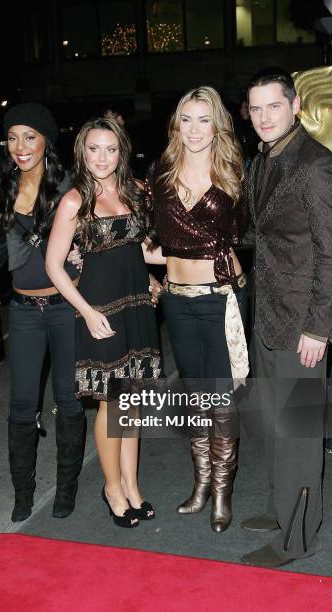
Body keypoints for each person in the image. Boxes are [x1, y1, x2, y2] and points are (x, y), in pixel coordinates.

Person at [240, 67, 332, 567]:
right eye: (256, 108)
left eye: (273, 106)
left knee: (300, 433)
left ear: (295, 106)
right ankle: (280, 507)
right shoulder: (265, 159)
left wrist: (318, 327)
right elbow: (264, 235)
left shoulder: (315, 165)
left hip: (302, 325)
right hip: (269, 316)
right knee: (276, 424)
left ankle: (299, 538)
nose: (263, 117)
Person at [46, 115, 165, 527]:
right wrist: (86, 311)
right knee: (112, 405)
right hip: (101, 312)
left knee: (132, 404)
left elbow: (142, 250)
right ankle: (112, 488)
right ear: (82, 151)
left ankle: (132, 485)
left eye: (110, 149)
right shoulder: (74, 200)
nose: (102, 157)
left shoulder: (135, 192)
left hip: (137, 309)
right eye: (94, 148)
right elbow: (54, 265)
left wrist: (172, 269)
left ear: (122, 152)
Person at [146, 86, 248, 533]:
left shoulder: (234, 175)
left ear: (217, 124)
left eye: (203, 119)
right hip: (177, 301)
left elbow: (255, 236)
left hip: (222, 298)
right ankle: (201, 483)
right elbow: (148, 240)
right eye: (186, 119)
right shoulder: (161, 176)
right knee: (194, 394)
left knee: (221, 397)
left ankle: (223, 490)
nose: (194, 129)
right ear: (176, 125)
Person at [0, 103, 86, 522]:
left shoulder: (69, 186)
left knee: (69, 400)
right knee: (21, 406)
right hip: (24, 311)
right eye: (12, 137)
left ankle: (66, 490)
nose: (20, 146)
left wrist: (84, 250)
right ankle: (22, 494)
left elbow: (97, 239)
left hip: (65, 309)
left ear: (47, 140)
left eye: (30, 136)